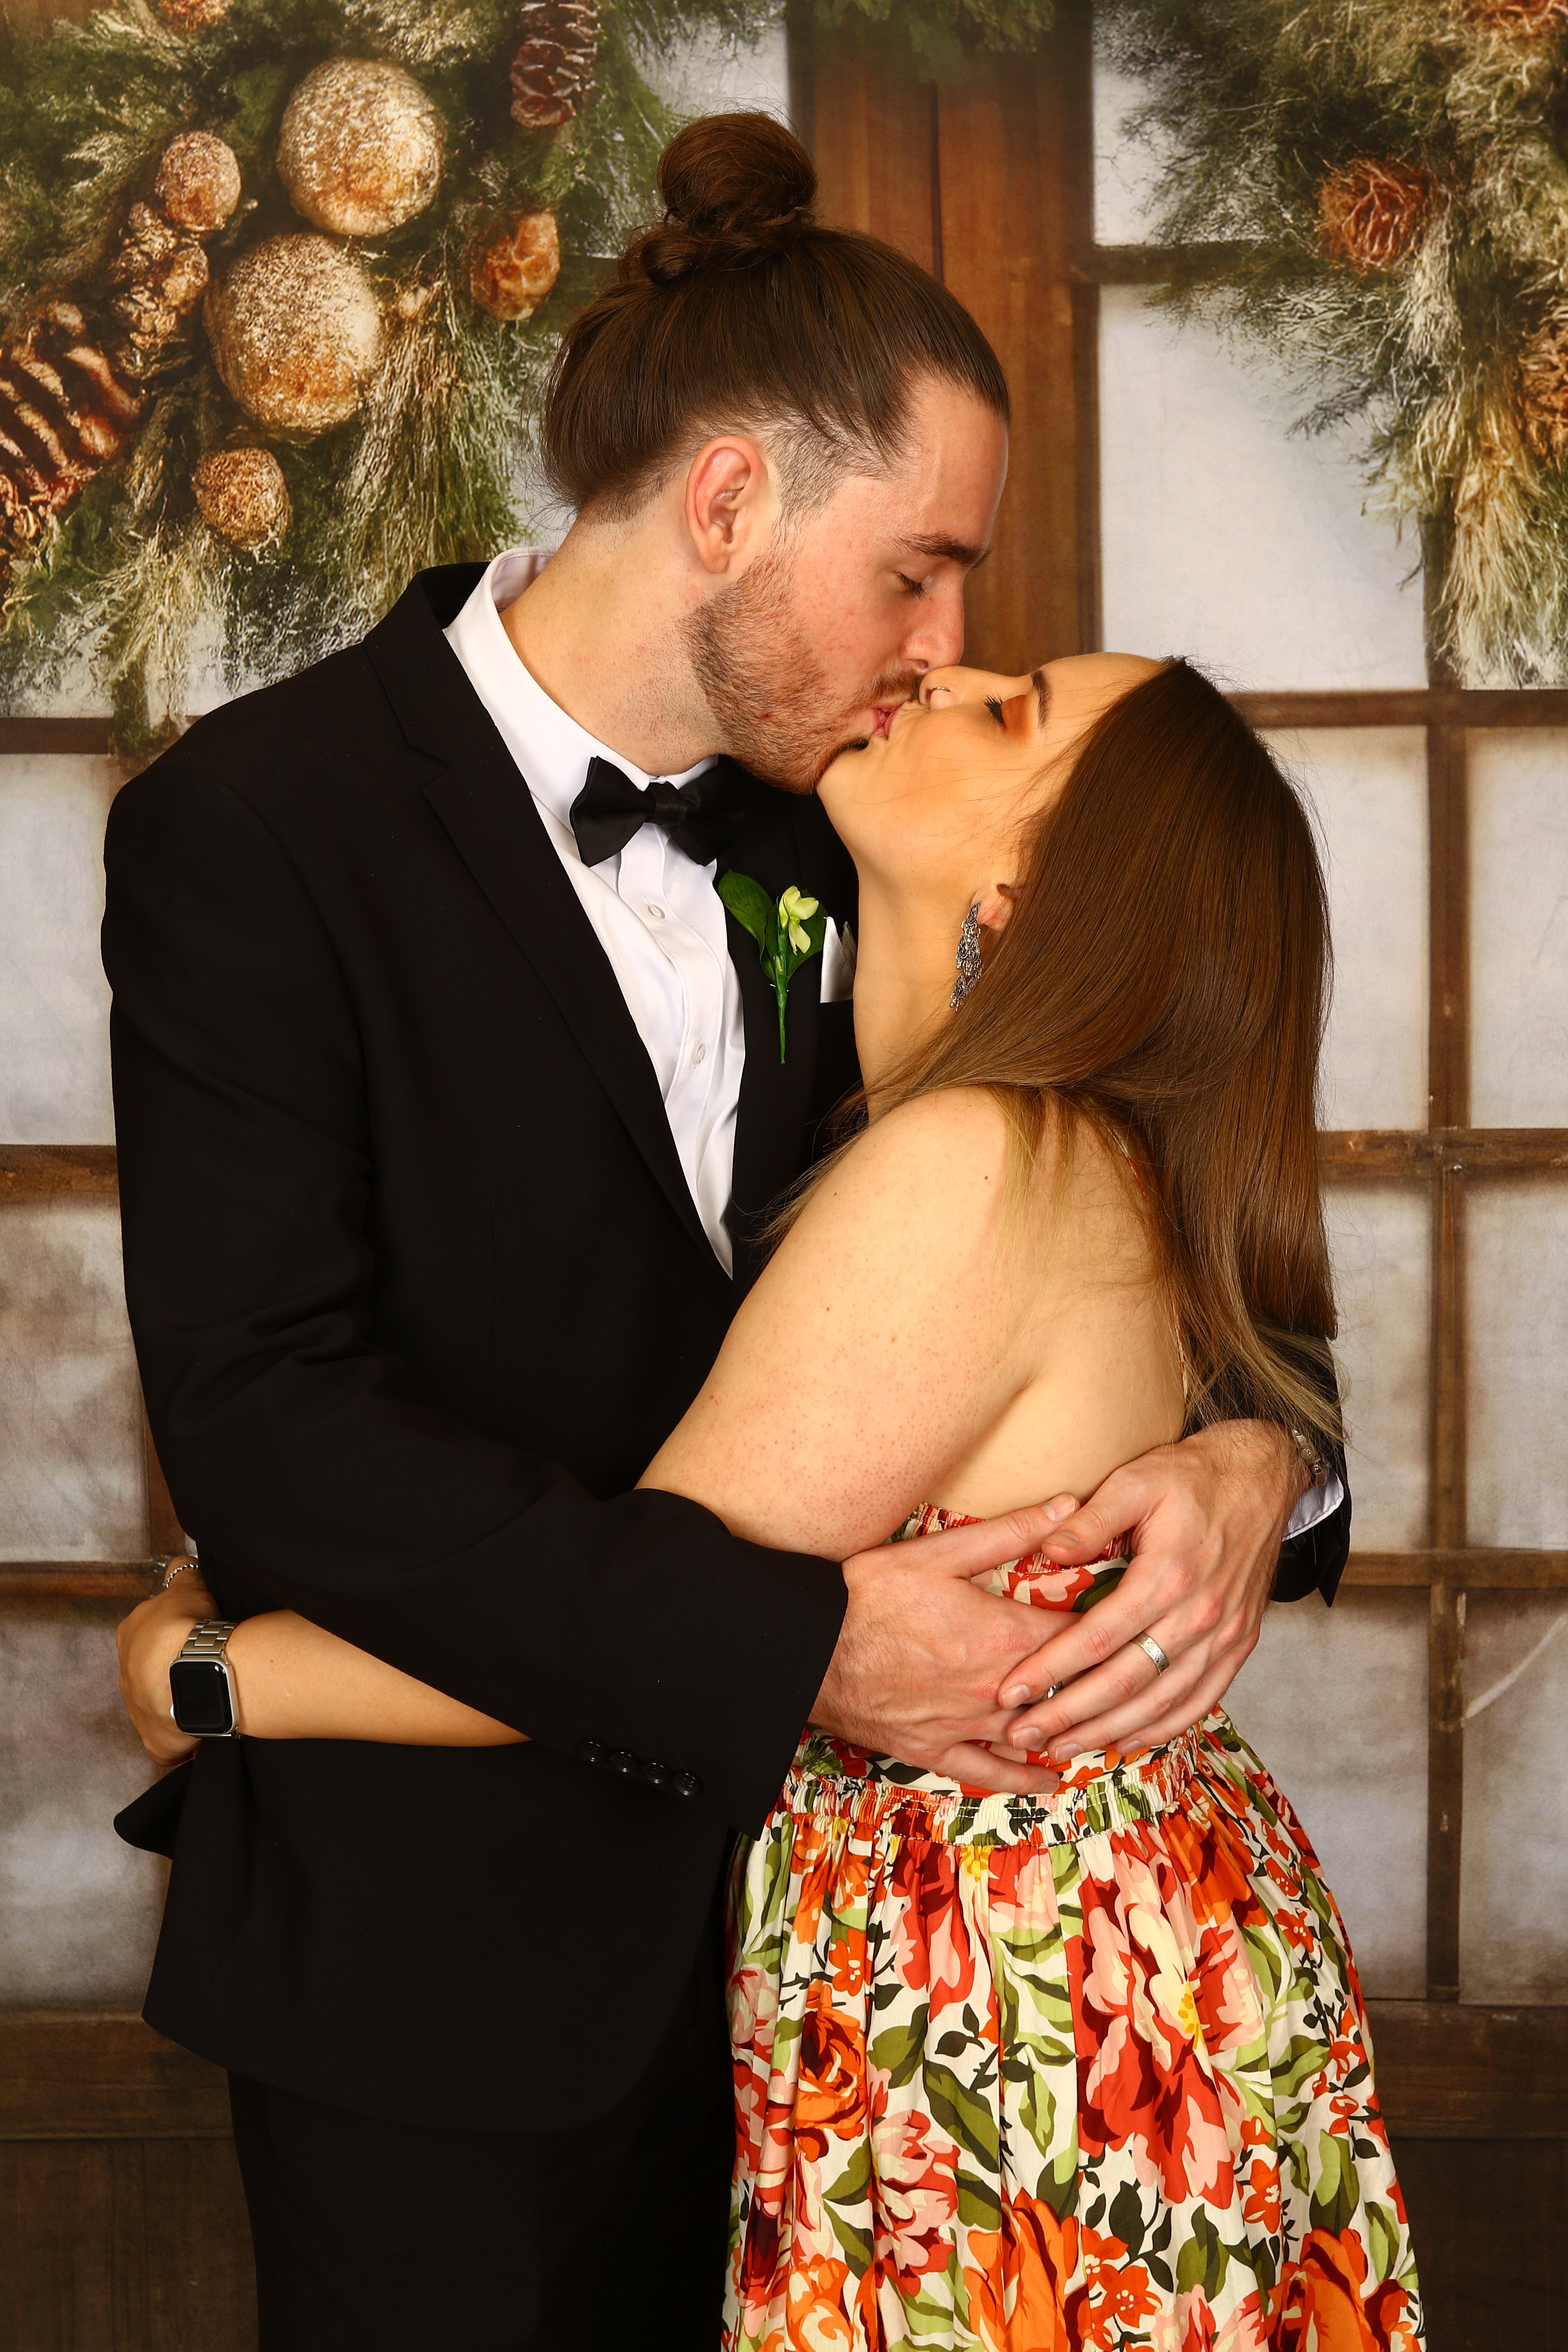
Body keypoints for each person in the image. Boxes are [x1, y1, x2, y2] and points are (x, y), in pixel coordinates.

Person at [109, 113, 1350, 2349]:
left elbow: (1188, 1229)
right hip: (453, 1981)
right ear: (728, 502)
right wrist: (793, 1650)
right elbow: (274, 1432)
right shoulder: (259, 827)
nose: (947, 646)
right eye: (921, 574)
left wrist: (1263, 1460)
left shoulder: (856, 822)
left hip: (865, 2009)